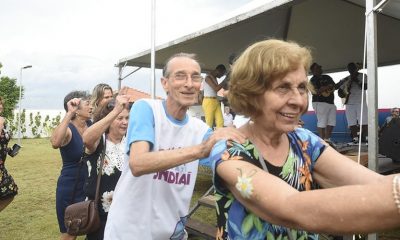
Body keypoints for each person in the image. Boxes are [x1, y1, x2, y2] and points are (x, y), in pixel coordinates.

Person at [210, 39, 400, 240]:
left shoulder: (304, 140)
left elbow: (374, 184)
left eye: (301, 87)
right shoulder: (229, 151)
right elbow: (290, 207)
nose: (299, 100)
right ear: (251, 94)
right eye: (283, 87)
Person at [104, 53, 245, 240]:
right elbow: (138, 164)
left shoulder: (200, 130)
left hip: (171, 233)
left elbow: (232, 165)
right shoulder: (147, 109)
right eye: (180, 76)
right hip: (129, 230)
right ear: (165, 83)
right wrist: (200, 150)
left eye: (195, 77)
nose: (189, 83)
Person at [82, 91, 130, 240]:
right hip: (101, 217)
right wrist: (116, 110)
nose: (125, 122)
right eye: (120, 118)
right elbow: (86, 138)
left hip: (127, 215)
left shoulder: (130, 142)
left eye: (127, 118)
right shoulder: (100, 141)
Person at [50, 91, 92, 240]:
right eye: (87, 104)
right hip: (70, 188)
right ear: (76, 109)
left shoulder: (93, 125)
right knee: (70, 233)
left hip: (91, 187)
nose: (91, 106)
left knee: (95, 227)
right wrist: (69, 114)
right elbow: (55, 142)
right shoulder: (68, 129)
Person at [336, 62, 368, 143]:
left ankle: (367, 138)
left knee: (364, 121)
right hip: (349, 103)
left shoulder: (362, 76)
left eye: (352, 68)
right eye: (349, 68)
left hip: (361, 102)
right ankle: (355, 139)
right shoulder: (347, 78)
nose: (351, 70)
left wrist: (356, 80)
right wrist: (343, 92)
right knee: (351, 122)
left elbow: (365, 87)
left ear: (356, 68)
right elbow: (339, 91)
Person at [309, 62, 337, 142]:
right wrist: (326, 87)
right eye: (318, 68)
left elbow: (334, 86)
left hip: (331, 102)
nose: (320, 69)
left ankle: (327, 139)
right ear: (313, 70)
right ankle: (322, 141)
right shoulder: (312, 80)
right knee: (322, 121)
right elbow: (315, 92)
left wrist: (332, 86)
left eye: (320, 67)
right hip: (319, 102)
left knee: (332, 121)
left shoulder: (327, 77)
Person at [0, 96, 18, 212]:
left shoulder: (3, 121)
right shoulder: (1, 121)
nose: (1, 106)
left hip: (1, 167)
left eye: (1, 103)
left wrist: (10, 150)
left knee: (10, 192)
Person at [202, 64, 227, 128]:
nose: (221, 76)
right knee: (209, 123)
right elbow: (216, 89)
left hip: (215, 100)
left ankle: (219, 137)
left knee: (220, 121)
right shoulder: (208, 77)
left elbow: (218, 89)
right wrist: (225, 81)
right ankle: (207, 137)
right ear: (218, 70)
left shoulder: (214, 78)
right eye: (222, 74)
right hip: (208, 101)